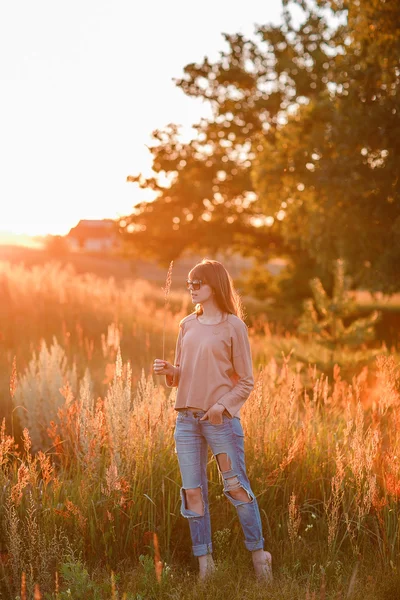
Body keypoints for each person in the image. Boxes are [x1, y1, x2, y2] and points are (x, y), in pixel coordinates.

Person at [153, 259, 272, 582]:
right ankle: (206, 565)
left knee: (235, 489)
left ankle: (259, 556)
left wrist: (221, 406)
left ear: (214, 286)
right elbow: (184, 375)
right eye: (189, 283)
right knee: (192, 492)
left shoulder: (234, 326)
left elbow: (246, 381)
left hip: (220, 422)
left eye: (197, 283)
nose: (191, 289)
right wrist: (170, 372)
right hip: (187, 422)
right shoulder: (187, 325)